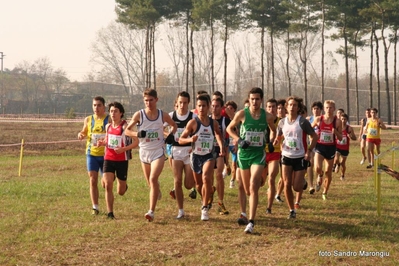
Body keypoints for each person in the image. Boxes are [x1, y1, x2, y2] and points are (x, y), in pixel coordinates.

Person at [226, 87, 276, 234]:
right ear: (249, 100)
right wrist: (239, 140)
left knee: (253, 185)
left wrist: (271, 142)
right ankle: (243, 212)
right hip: (243, 154)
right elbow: (229, 129)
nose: (255, 101)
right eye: (252, 99)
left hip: (258, 154)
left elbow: (273, 130)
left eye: (257, 99)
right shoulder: (242, 114)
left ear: (261, 100)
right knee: (245, 187)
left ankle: (251, 222)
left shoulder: (267, 116)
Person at [125, 88, 177, 222]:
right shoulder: (139, 115)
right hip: (144, 152)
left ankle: (151, 211)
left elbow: (174, 125)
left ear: (156, 100)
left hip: (158, 152)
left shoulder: (163, 115)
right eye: (146, 101)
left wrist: (171, 135)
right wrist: (137, 134)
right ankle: (156, 189)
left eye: (151, 100)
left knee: (153, 179)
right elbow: (127, 131)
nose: (148, 103)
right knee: (150, 182)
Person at [179, 94, 225, 221]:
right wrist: (190, 139)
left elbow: (219, 135)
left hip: (209, 155)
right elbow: (181, 139)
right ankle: (208, 195)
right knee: (199, 184)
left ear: (208, 106)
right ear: (196, 107)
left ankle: (204, 208)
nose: (201, 108)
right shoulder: (193, 123)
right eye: (199, 106)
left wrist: (221, 147)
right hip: (196, 156)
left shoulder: (213, 123)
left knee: (206, 178)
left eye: (204, 106)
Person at [274, 96, 318, 219]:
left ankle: (302, 182)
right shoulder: (282, 122)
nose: (292, 107)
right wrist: (277, 141)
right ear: (286, 107)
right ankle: (291, 210)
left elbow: (315, 137)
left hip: (300, 157)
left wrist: (309, 151)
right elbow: (279, 135)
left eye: (295, 105)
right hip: (286, 156)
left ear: (298, 108)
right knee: (287, 183)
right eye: (290, 105)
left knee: (297, 186)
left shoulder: (303, 122)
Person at [97, 102, 138, 219]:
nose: (113, 113)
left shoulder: (125, 127)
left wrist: (124, 149)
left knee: (121, 191)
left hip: (121, 161)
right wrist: (102, 143)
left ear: (121, 113)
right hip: (108, 159)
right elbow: (108, 139)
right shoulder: (108, 126)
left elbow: (136, 142)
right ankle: (110, 213)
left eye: (115, 111)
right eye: (111, 111)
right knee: (108, 185)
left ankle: (124, 186)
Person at [77, 96, 109, 215]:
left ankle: (108, 203)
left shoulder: (109, 119)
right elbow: (84, 131)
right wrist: (80, 135)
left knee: (106, 183)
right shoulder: (88, 119)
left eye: (99, 105)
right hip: (91, 154)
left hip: (106, 155)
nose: (96, 108)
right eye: (94, 105)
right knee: (92, 180)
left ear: (103, 106)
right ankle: (95, 207)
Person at [168, 91, 196, 219]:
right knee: (177, 181)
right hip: (176, 151)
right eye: (180, 102)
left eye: (185, 103)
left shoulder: (193, 117)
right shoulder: (171, 116)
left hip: (189, 151)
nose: (182, 105)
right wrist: (168, 136)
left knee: (188, 184)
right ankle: (180, 210)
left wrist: (194, 147)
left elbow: (200, 133)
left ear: (188, 103)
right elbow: (159, 127)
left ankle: (194, 185)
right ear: (177, 102)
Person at [311, 100, 343, 200]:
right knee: (317, 168)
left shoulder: (337, 121)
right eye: (327, 108)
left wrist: (335, 132)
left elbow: (341, 137)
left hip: (331, 148)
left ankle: (325, 192)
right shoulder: (318, 119)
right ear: (324, 109)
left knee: (328, 171)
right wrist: (312, 137)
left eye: (330, 108)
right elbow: (310, 130)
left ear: (334, 109)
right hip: (320, 146)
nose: (328, 110)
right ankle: (319, 176)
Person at [211, 97, 231, 215]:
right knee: (207, 178)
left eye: (217, 106)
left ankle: (220, 202)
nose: (214, 108)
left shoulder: (225, 121)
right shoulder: (205, 120)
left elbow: (236, 127)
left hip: (219, 150)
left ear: (221, 107)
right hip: (206, 151)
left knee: (218, 175)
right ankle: (209, 194)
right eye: (212, 106)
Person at [264, 98, 281, 214]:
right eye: (269, 107)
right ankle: (270, 191)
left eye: (274, 107)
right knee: (260, 182)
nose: (271, 109)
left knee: (271, 179)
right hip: (262, 153)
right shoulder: (262, 121)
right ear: (266, 108)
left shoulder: (282, 122)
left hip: (275, 153)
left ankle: (269, 207)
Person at [306, 101, 323, 194]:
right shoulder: (309, 119)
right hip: (312, 145)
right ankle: (311, 186)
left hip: (321, 145)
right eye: (314, 109)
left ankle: (319, 177)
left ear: (321, 110)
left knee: (318, 167)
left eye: (317, 109)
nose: (315, 111)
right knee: (310, 164)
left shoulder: (323, 119)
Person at [333, 113, 356, 180]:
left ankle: (342, 175)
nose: (343, 120)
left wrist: (351, 136)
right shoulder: (337, 127)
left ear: (347, 120)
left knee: (343, 163)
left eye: (345, 119)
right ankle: (337, 164)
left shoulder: (349, 128)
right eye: (342, 119)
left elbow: (355, 138)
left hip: (345, 148)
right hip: (337, 146)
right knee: (336, 158)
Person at [274, 99, 286, 203]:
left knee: (283, 176)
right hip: (272, 152)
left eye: (282, 108)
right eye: (278, 108)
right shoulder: (272, 120)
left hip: (284, 152)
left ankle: (277, 194)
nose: (280, 110)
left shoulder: (288, 121)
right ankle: (272, 190)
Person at [225, 100, 238, 188]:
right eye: (228, 108)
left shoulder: (237, 120)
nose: (229, 110)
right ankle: (227, 167)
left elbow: (238, 133)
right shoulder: (224, 120)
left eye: (231, 108)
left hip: (234, 144)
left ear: (234, 110)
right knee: (225, 160)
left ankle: (232, 180)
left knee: (234, 164)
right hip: (226, 143)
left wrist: (237, 144)